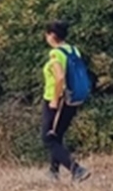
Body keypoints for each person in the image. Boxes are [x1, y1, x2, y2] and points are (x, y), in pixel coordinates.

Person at [42, 21, 92, 183]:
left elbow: (60, 77)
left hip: (57, 99)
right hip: (72, 98)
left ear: (52, 35)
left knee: (48, 138)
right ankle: (53, 172)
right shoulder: (73, 50)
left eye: (47, 34)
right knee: (57, 135)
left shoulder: (55, 54)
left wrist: (54, 101)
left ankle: (76, 169)